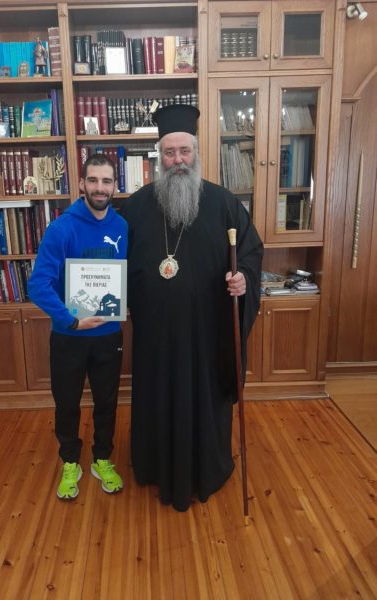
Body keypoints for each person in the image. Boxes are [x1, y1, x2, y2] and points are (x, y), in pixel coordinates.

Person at [121, 104, 263, 512]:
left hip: (206, 334)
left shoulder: (223, 204)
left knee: (203, 398)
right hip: (155, 336)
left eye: (184, 151)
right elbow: (115, 260)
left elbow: (251, 253)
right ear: (159, 157)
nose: (178, 160)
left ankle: (205, 466)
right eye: (170, 153)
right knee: (158, 397)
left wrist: (243, 279)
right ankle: (155, 464)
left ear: (195, 153)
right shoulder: (136, 206)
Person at [28, 154, 128, 500]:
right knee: (67, 403)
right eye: (93, 180)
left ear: (115, 186)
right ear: (82, 184)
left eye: (107, 181)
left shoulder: (122, 227)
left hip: (108, 336)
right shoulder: (61, 228)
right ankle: (70, 461)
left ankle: (102, 458)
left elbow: (128, 274)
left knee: (107, 402)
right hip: (69, 336)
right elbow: (38, 285)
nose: (100, 188)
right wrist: (70, 319)